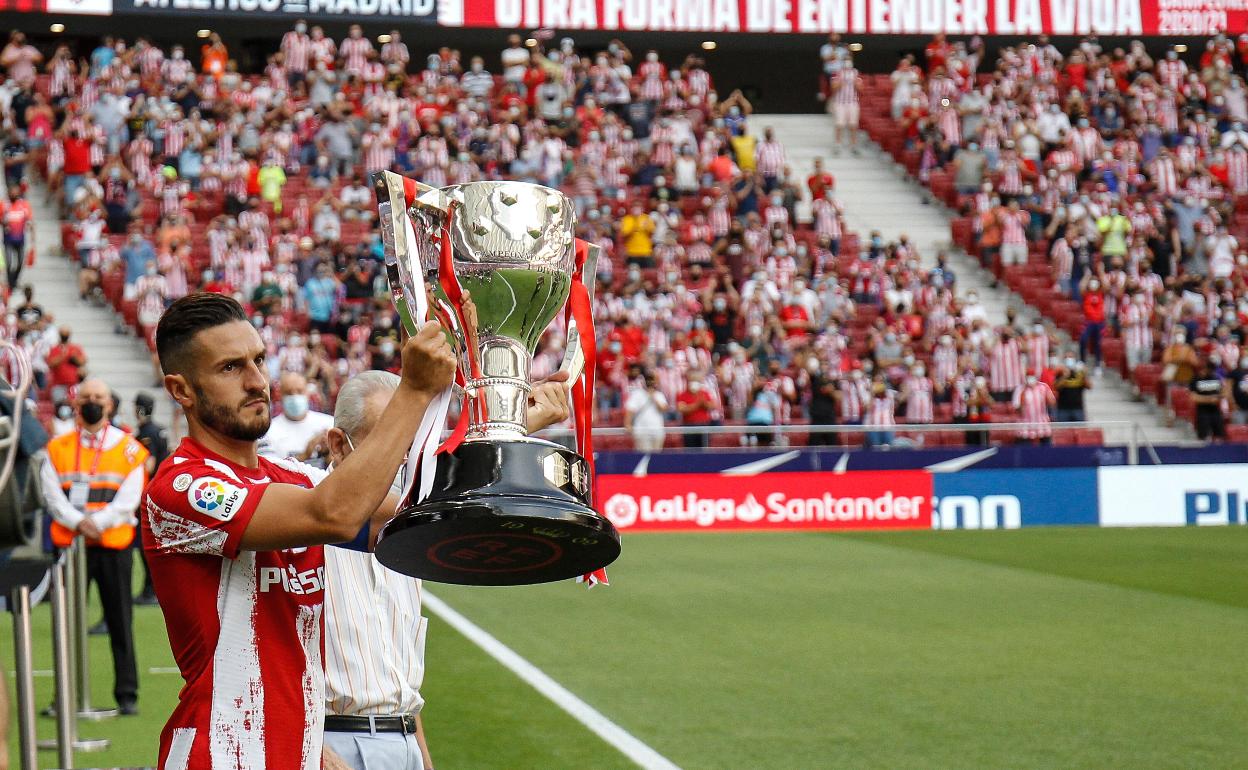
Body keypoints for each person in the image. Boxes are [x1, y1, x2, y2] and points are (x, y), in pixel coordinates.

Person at [142, 293, 455, 769]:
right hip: (223, 755)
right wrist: (413, 391)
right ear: (180, 390)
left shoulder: (290, 478)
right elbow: (336, 514)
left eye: (258, 360)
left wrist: (506, 422)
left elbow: (414, 518)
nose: (256, 381)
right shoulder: (183, 486)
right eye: (230, 368)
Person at [318, 370, 569, 770]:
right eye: (386, 440)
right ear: (338, 445)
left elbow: (398, 679)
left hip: (402, 741)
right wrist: (314, 751)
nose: (403, 458)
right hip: (331, 743)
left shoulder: (409, 534)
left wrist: (422, 759)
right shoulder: (303, 516)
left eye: (412, 444)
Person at [40, 378, 149, 716]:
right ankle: (64, 697)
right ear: (76, 403)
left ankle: (127, 694)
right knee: (66, 624)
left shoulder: (129, 448)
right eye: (86, 396)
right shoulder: (57, 447)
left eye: (98, 397)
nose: (92, 402)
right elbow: (51, 493)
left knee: (120, 620)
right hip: (71, 547)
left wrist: (95, 524)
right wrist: (78, 522)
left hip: (113, 545)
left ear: (109, 404)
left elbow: (130, 498)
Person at [132, 392, 169, 606]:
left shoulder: (146, 433)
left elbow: (149, 464)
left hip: (149, 493)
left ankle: (151, 589)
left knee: (145, 544)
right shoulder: (160, 430)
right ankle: (154, 588)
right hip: (161, 492)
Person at [258, 371, 335, 461]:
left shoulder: (330, 423)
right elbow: (269, 467)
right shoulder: (268, 431)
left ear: (307, 393)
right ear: (280, 395)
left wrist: (329, 454)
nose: (294, 396)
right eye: (289, 393)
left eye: (299, 391)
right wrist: (305, 455)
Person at [624, 373, 667, 452]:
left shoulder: (659, 395)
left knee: (657, 456)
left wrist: (653, 397)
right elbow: (630, 410)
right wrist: (628, 424)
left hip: (657, 431)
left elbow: (663, 408)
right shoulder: (637, 394)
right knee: (645, 455)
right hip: (642, 431)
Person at [1190, 358, 1230, 442]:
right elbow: (1193, 397)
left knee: (1219, 437)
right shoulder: (1195, 379)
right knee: (1203, 437)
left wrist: (1219, 397)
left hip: (1216, 412)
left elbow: (1225, 393)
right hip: (1202, 412)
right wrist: (1209, 399)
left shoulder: (1216, 378)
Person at [46, 325, 86, 408]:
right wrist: (62, 356)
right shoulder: (54, 348)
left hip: (75, 384)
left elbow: (83, 362)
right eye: (63, 333)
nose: (65, 335)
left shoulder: (75, 348)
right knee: (60, 407)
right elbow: (50, 364)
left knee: (78, 406)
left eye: (66, 333)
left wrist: (74, 358)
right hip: (59, 385)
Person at [675, 371, 714, 448]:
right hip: (688, 426)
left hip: (703, 425)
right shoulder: (682, 395)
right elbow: (682, 409)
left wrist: (704, 403)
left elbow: (712, 406)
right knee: (690, 449)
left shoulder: (704, 393)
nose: (693, 382)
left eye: (696, 380)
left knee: (704, 448)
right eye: (692, 380)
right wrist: (697, 404)